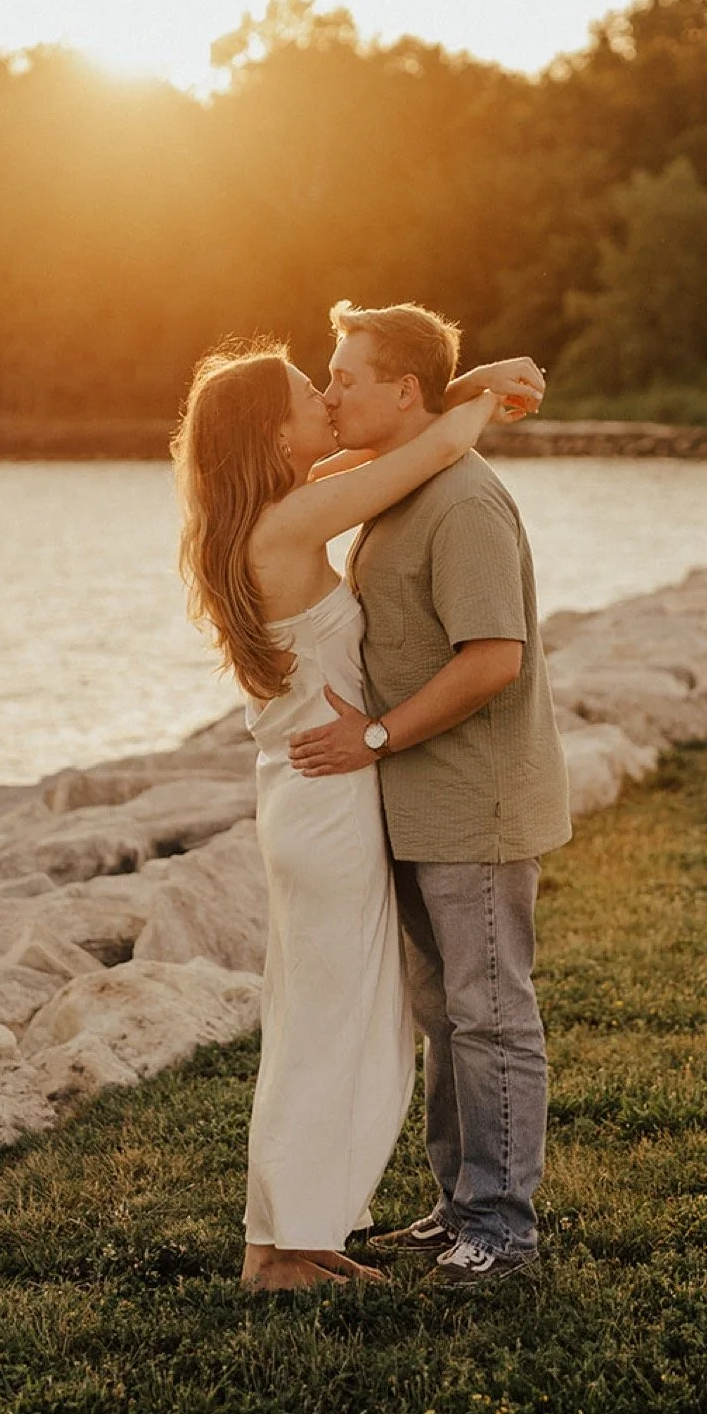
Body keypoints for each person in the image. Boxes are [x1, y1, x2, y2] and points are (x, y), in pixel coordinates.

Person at [173, 336, 543, 1292]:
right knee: (327, 1032)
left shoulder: (265, 513)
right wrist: (492, 386)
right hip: (331, 802)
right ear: (272, 429)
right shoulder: (290, 525)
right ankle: (281, 1252)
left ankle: (289, 1240)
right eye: (309, 394)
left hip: (304, 799)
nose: (326, 404)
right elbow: (426, 451)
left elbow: (403, 436)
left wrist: (464, 386)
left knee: (313, 1023)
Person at [288, 301, 571, 1289]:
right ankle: (458, 1205)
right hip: (414, 803)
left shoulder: (462, 502)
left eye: (345, 377)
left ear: (403, 391)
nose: (329, 394)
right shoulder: (401, 484)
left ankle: (501, 1229)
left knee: (490, 1014)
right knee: (447, 1015)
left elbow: (494, 658)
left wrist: (372, 736)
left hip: (474, 806)